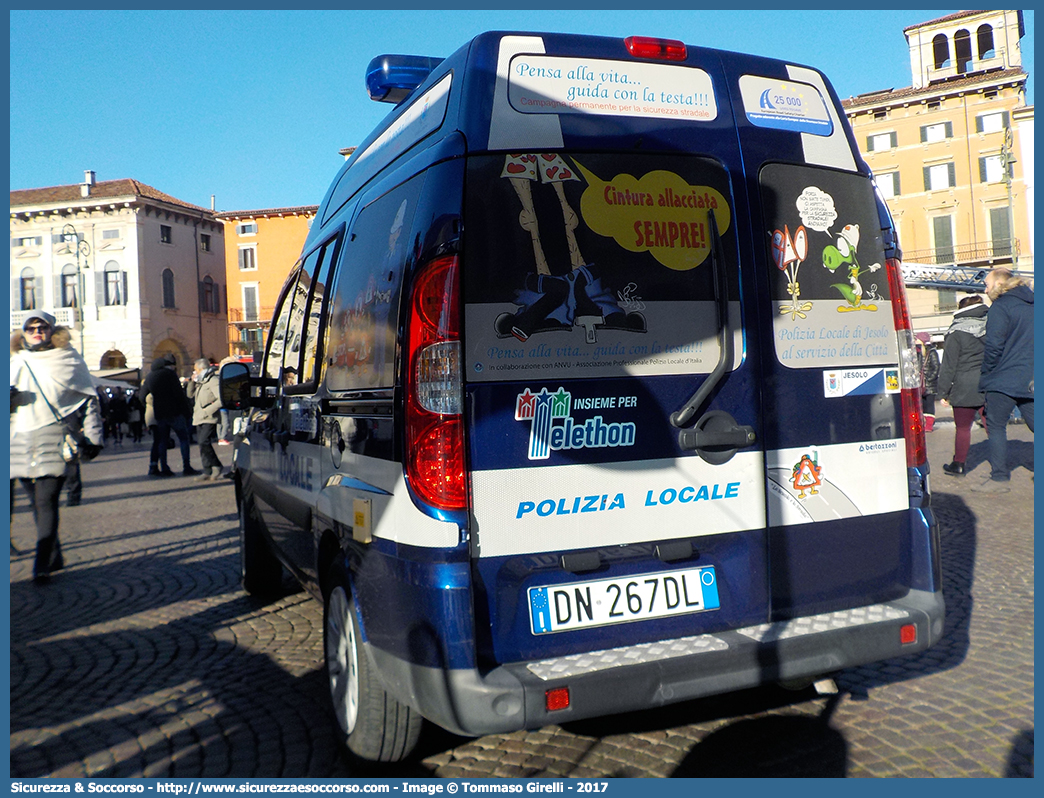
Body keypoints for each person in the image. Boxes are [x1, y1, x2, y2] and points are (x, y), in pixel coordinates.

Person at [10, 312, 103, 582]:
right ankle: (54, 555)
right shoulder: (14, 360)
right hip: (19, 438)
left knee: (46, 500)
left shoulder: (69, 358)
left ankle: (41, 564)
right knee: (36, 504)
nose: (37, 331)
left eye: (42, 326)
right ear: (23, 332)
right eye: (31, 327)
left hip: (54, 437)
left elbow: (89, 400)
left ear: (52, 329)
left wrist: (94, 438)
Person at [972, 268, 1034, 492]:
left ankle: (999, 478)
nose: (985, 289)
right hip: (1031, 378)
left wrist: (987, 375)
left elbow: (994, 346)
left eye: (987, 284)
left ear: (999, 284)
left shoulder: (1001, 306)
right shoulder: (1034, 304)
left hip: (1004, 378)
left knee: (996, 425)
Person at [937, 295, 988, 476]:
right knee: (993, 426)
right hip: (988, 383)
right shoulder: (991, 326)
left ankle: (958, 464)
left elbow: (949, 365)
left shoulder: (956, 332)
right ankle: (1000, 467)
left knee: (963, 428)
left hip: (963, 386)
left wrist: (943, 392)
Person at [138, 354, 199, 477]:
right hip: (175, 412)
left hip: (160, 414)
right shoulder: (170, 375)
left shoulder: (149, 377)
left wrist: (149, 406)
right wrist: (186, 412)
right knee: (183, 439)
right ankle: (186, 466)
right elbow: (179, 395)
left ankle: (164, 467)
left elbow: (141, 396)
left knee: (162, 442)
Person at [190, 358, 229, 481]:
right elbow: (189, 395)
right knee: (202, 445)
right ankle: (207, 469)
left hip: (209, 417)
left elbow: (221, 398)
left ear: (202, 369)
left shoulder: (213, 381)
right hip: (198, 417)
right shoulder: (201, 382)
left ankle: (216, 465)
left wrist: (209, 409)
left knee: (204, 441)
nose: (195, 372)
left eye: (196, 370)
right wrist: (191, 382)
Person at [916, 335, 940, 433]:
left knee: (929, 405)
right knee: (921, 405)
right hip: (919, 384)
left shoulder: (932, 352)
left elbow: (936, 367)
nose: (915, 340)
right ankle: (923, 423)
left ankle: (929, 424)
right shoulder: (916, 352)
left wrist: (929, 379)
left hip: (929, 385)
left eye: (917, 339)